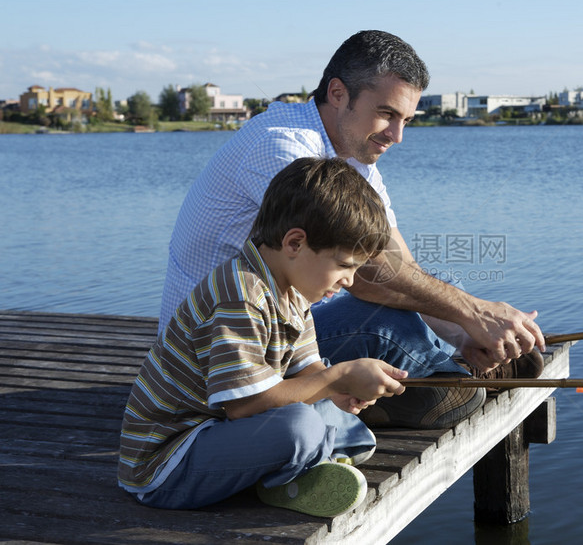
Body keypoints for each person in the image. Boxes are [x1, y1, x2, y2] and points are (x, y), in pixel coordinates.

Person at [158, 30, 545, 430]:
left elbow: (399, 266)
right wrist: (474, 313)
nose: (397, 136)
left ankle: (443, 368)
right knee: (386, 320)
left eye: (407, 120)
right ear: (339, 93)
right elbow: (367, 276)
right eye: (387, 114)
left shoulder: (354, 155)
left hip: (288, 325)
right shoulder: (282, 148)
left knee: (426, 294)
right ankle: (437, 380)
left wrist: (463, 329)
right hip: (218, 347)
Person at [119, 157, 408, 515]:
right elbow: (244, 406)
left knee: (344, 424)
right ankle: (285, 478)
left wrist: (344, 390)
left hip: (222, 431)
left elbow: (309, 371)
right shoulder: (240, 293)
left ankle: (304, 458)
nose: (349, 281)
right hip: (168, 465)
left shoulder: (294, 291)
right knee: (300, 429)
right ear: (295, 243)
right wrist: (339, 377)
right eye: (345, 265)